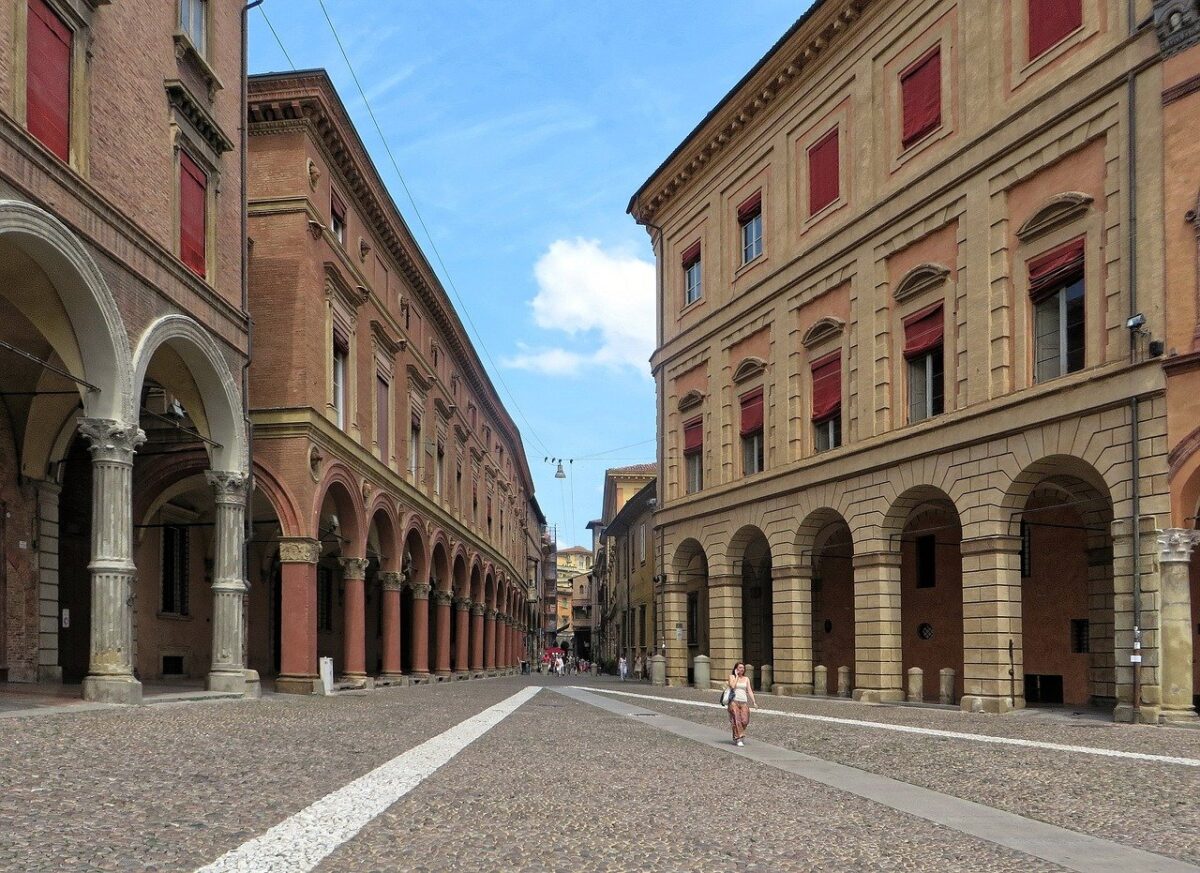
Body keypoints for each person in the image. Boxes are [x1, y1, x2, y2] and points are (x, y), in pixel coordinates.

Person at [726, 661, 756, 746]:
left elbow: (749, 690)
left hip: (743, 702)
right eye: (740, 668)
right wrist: (736, 676)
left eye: (743, 668)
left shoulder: (746, 679)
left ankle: (738, 733)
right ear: (736, 669)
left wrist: (754, 701)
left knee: (745, 720)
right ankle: (738, 738)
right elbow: (732, 686)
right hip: (734, 702)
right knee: (737, 719)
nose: (742, 669)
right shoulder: (732, 677)